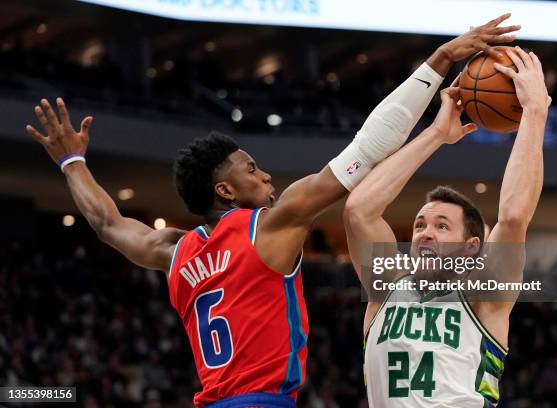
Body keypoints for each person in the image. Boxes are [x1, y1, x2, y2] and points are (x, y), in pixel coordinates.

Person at [26, 14, 519, 408]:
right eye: (252, 169)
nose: (266, 177)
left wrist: (72, 163)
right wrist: (440, 59)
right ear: (225, 190)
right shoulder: (270, 224)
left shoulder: (173, 251)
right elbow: (367, 148)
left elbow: (106, 223)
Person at [343, 46, 549, 407]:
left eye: (442, 226)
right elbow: (359, 210)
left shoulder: (484, 299)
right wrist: (437, 132)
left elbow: (514, 216)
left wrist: (534, 112)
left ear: (471, 246)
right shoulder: (385, 288)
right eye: (421, 224)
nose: (425, 232)